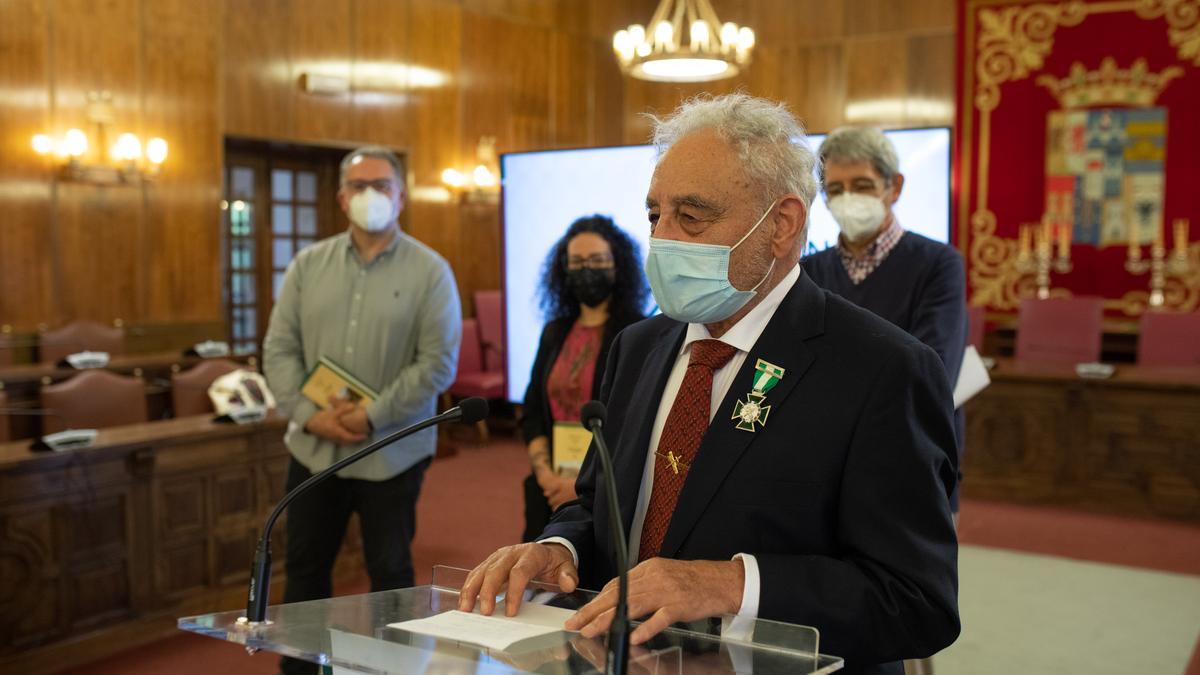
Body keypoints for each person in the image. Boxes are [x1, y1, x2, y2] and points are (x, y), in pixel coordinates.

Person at [457, 94, 960, 675]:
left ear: (782, 224)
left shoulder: (884, 369)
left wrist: (731, 583)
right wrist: (557, 548)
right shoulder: (639, 347)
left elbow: (918, 602)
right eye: (654, 216)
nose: (662, 240)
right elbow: (600, 506)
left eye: (691, 217)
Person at [263, 146, 461, 675]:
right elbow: (278, 351)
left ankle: (388, 670)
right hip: (313, 451)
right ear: (341, 198)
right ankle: (301, 669)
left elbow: (436, 365)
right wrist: (310, 415)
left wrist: (370, 415)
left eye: (381, 185)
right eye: (358, 186)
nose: (369, 195)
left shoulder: (431, 271)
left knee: (390, 574)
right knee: (305, 572)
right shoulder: (308, 265)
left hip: (390, 452)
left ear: (400, 197)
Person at [802, 126, 967, 512]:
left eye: (862, 185)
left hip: (914, 453)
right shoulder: (807, 271)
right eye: (835, 190)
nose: (847, 199)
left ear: (894, 186)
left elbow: (933, 368)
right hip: (824, 459)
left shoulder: (939, 265)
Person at [520, 215, 649, 542]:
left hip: (607, 489)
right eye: (576, 262)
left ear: (617, 266)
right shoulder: (555, 331)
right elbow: (533, 407)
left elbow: (633, 423)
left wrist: (580, 483)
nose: (586, 270)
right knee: (538, 579)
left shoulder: (637, 333)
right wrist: (545, 474)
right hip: (548, 484)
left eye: (596, 261)